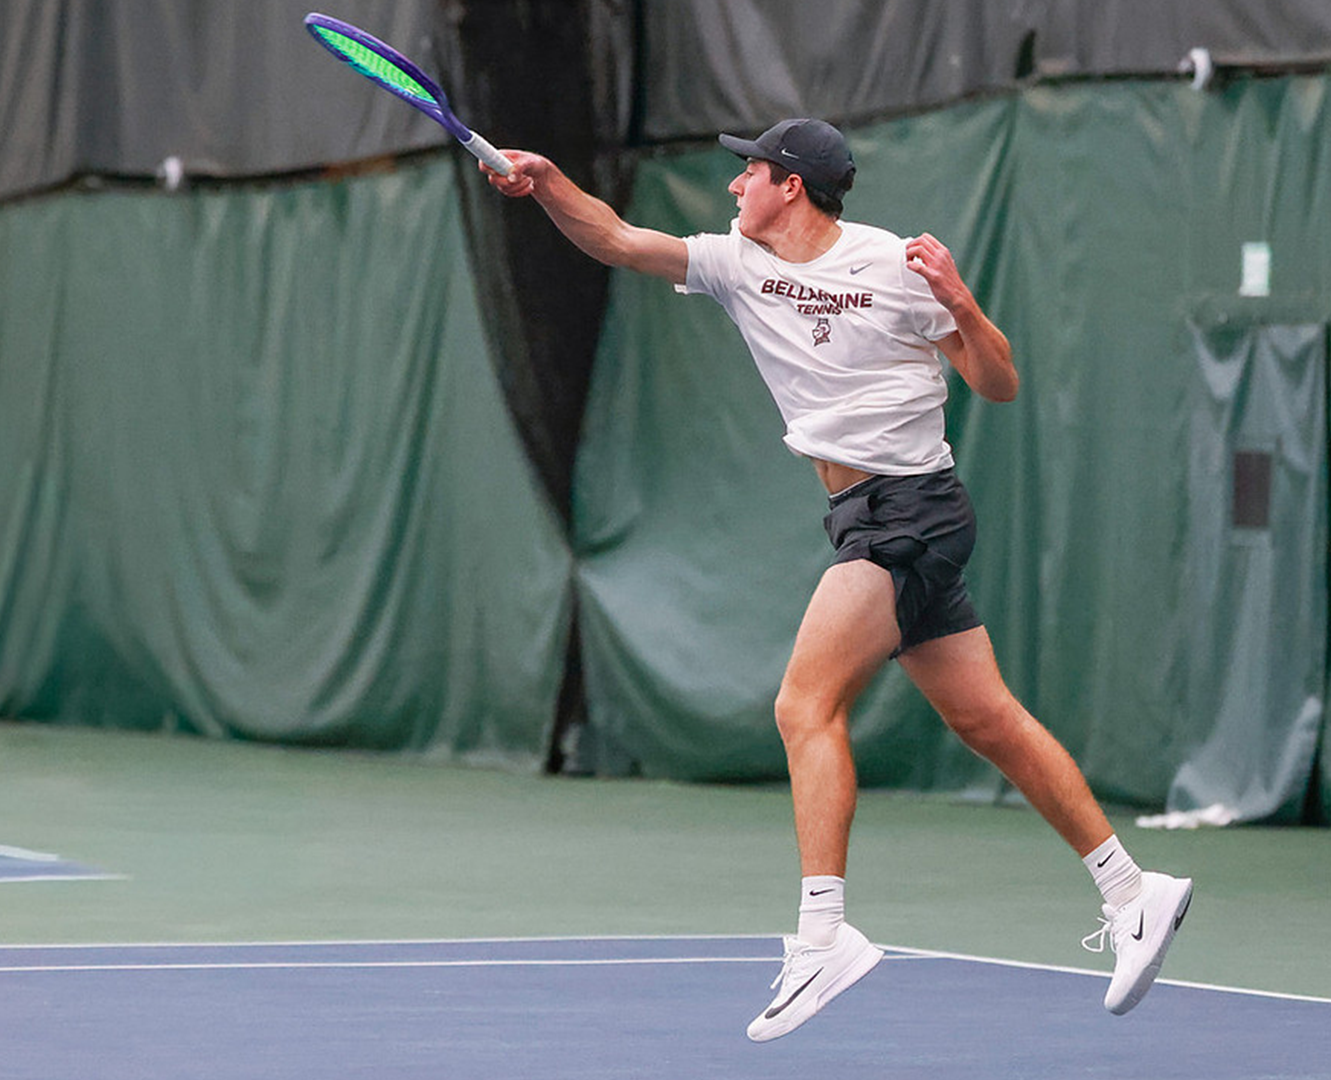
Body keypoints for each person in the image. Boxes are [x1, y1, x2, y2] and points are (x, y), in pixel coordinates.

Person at [483, 118, 1193, 1041]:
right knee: (988, 721)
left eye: (748, 174)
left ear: (790, 184)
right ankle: (1135, 891)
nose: (734, 189)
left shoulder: (895, 264)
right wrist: (545, 183)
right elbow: (615, 237)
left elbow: (1000, 381)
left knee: (802, 706)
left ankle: (824, 936)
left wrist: (964, 306)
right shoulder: (738, 263)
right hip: (865, 515)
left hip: (909, 511)